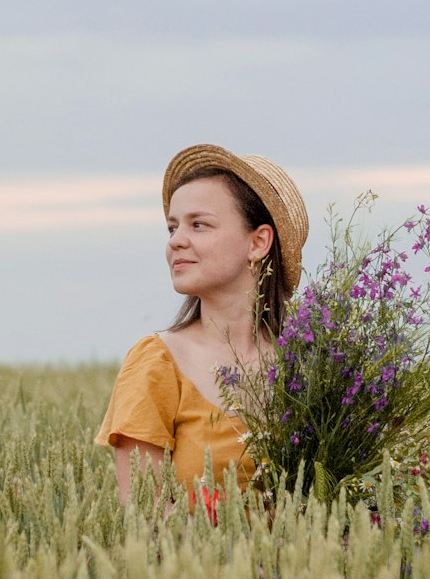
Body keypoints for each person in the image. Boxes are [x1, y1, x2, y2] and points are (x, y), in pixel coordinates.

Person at [95, 143, 309, 507]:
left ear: (258, 242)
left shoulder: (312, 366)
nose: (177, 241)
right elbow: (147, 526)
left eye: (199, 224)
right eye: (172, 227)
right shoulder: (156, 364)